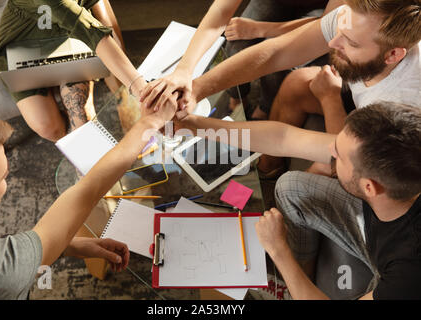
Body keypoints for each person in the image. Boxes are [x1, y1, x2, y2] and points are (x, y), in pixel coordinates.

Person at [173, 101, 421, 299]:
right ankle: (302, 281)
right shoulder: (400, 158)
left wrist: (279, 250)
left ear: (369, 187)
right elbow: (283, 138)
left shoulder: (408, 271)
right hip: (382, 221)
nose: (330, 153)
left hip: (395, 269)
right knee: (291, 187)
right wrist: (191, 124)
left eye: (340, 156)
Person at [171, 0, 421, 178]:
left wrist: (330, 98)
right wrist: (196, 89)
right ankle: (268, 166)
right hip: (368, 103)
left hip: (378, 153)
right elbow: (277, 52)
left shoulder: (398, 109)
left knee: (310, 178)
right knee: (297, 82)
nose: (332, 43)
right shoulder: (356, 17)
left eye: (351, 43)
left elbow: (337, 159)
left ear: (393, 54)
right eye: (338, 31)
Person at [0, 94, 178, 299]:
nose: (9, 178)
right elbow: (88, 191)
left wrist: (62, 246)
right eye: (3, 177)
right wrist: (151, 121)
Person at [139, 0, 343, 115]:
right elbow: (220, 12)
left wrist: (261, 29)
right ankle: (238, 97)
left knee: (282, 72)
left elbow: (327, 24)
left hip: (323, 13)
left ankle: (264, 110)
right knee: (235, 43)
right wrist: (184, 70)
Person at [0, 0, 148, 142]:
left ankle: (92, 162)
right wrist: (139, 89)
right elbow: (91, 31)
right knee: (49, 129)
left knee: (81, 115)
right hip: (22, 49)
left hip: (70, 41)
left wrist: (135, 92)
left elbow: (95, 31)